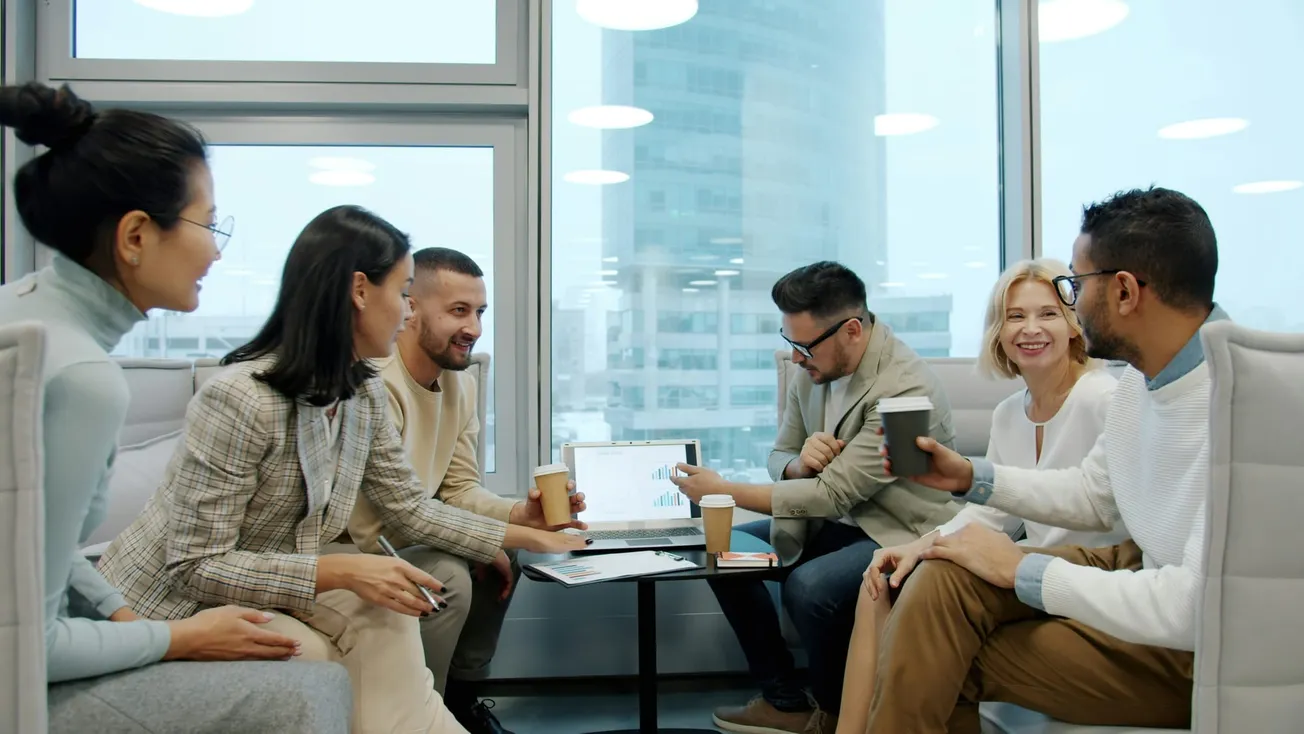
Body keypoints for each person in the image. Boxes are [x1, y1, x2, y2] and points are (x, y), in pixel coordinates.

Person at [98, 205, 589, 734]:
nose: (408, 312)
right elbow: (195, 565)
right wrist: (341, 570)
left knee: (393, 610)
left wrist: (530, 537)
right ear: (359, 291)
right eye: (403, 293)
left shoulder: (363, 393)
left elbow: (410, 508)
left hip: (277, 576)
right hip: (174, 601)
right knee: (312, 651)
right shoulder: (240, 398)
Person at [0, 82, 351, 733]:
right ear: (135, 236)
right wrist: (178, 638)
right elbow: (26, 645)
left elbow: (22, 545)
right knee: (310, 692)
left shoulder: (21, 310)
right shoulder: (82, 376)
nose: (216, 251)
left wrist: (119, 613)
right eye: (208, 223)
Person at [865, 187, 1223, 733]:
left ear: (1124, 291)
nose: (1072, 302)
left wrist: (1026, 568)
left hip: (1195, 650)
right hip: (1141, 571)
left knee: (938, 655)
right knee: (943, 576)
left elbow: (1189, 608)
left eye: (1074, 286)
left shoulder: (1234, 406)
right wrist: (970, 477)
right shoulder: (1140, 387)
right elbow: (1095, 494)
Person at [834, 258, 1127, 734]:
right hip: (1025, 573)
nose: (1030, 329)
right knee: (880, 581)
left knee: (935, 588)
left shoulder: (1104, 398)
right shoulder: (1011, 413)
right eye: (1015, 317)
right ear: (999, 331)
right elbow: (991, 516)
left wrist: (937, 542)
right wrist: (912, 546)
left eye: (1048, 314)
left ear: (1074, 325)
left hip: (1082, 572)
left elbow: (1099, 504)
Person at [670, 261, 959, 734]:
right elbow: (779, 453)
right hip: (830, 522)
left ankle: (836, 713)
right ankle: (785, 701)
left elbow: (833, 493)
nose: (797, 357)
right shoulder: (811, 368)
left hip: (895, 529)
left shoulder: (906, 390)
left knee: (812, 590)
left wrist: (723, 491)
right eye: (789, 343)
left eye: (804, 346)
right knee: (720, 552)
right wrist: (796, 465)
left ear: (850, 330)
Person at [345, 247, 586, 734]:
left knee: (500, 554)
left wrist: (520, 515)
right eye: (458, 311)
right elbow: (392, 517)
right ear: (410, 307)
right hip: (364, 543)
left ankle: (463, 697)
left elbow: (456, 488)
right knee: (451, 575)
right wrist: (489, 538)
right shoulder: (375, 386)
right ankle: (422, 708)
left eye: (479, 312)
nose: (474, 328)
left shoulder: (462, 385)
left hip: (415, 530)